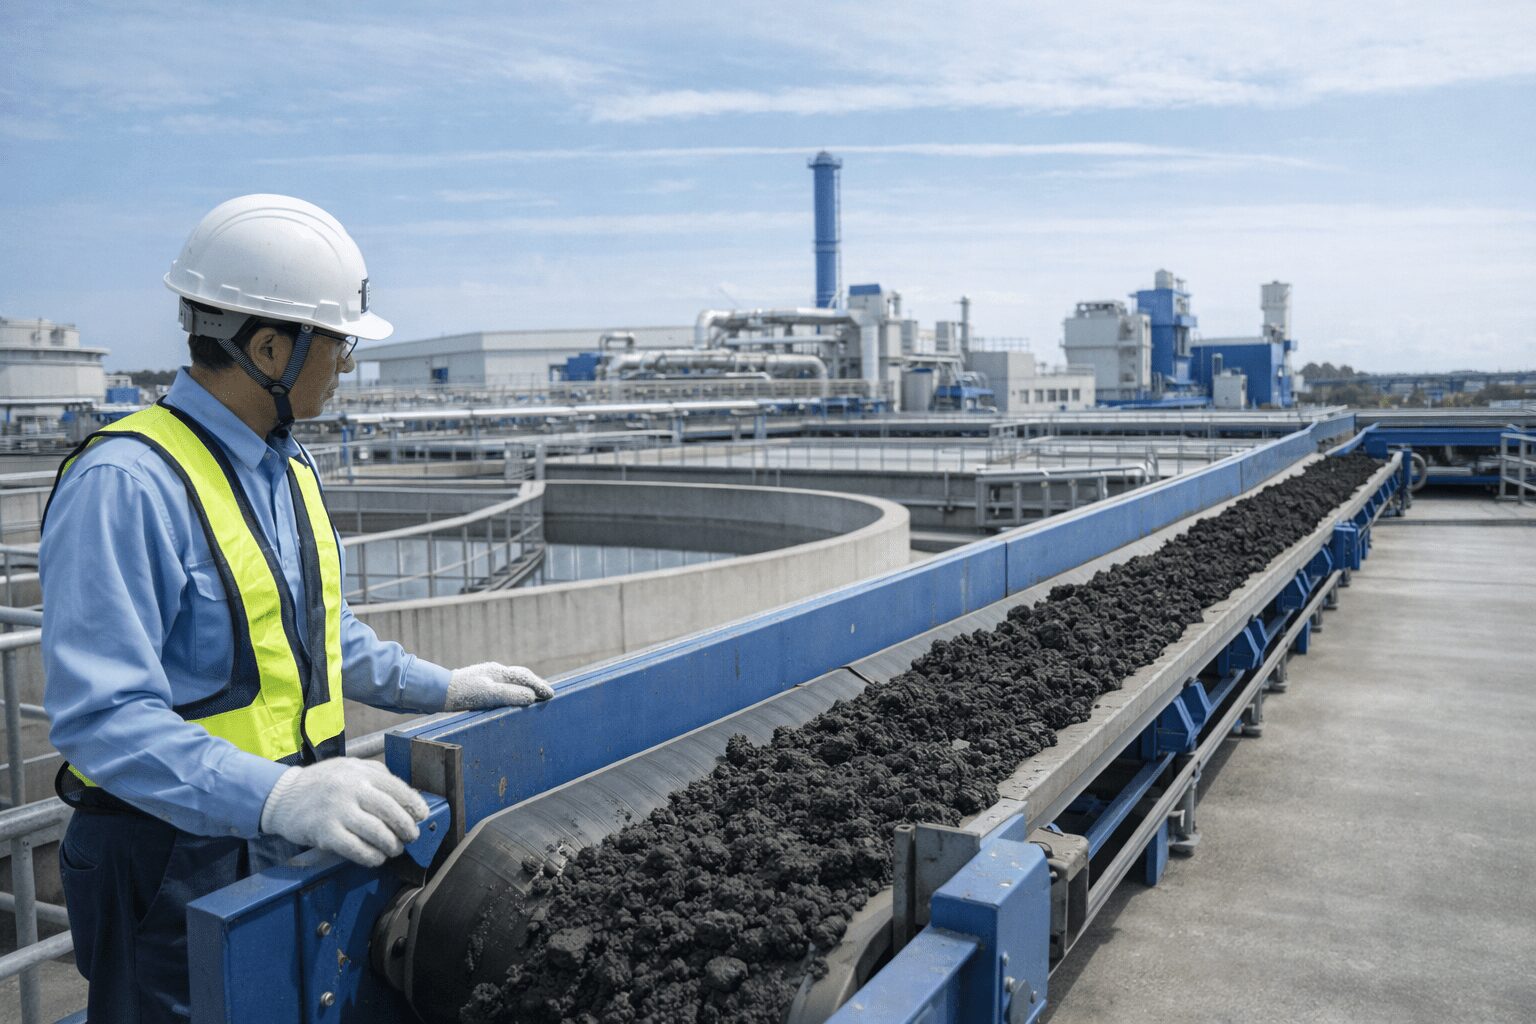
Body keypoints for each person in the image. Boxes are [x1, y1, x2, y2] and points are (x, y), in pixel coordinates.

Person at [41, 194, 553, 1023]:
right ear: (268, 347)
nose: (345, 367)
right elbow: (102, 720)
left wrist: (445, 686)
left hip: (284, 837)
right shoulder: (126, 485)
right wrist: (278, 797)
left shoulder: (288, 468)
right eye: (338, 346)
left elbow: (324, 640)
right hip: (169, 863)